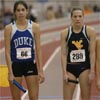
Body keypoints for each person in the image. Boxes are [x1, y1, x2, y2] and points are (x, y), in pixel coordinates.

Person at [4, 1, 45, 100]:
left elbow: (38, 50)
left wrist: (41, 70)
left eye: (23, 10)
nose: (21, 12)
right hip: (16, 66)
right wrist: (10, 72)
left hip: (30, 64)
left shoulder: (35, 27)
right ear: (14, 12)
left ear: (27, 11)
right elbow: (7, 52)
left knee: (34, 97)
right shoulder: (9, 28)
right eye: (18, 10)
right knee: (16, 98)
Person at [61, 7, 96, 100]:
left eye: (80, 16)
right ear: (71, 18)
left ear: (83, 17)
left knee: (85, 98)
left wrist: (92, 71)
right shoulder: (65, 33)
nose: (77, 19)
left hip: (84, 67)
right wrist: (64, 73)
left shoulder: (90, 31)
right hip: (70, 68)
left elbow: (92, 52)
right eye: (75, 16)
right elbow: (63, 54)